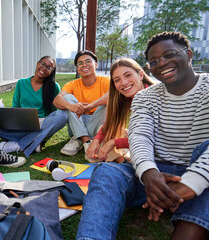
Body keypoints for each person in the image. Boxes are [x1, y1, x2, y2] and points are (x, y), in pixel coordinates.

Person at [76, 32, 209, 240]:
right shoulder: (144, 98)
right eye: (154, 61)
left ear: (189, 54)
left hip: (200, 174)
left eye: (169, 55)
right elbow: (140, 137)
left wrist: (191, 183)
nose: (162, 63)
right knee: (107, 172)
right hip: (153, 171)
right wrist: (149, 174)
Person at [0, 56, 68, 156]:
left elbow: (53, 113)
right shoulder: (21, 83)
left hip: (41, 124)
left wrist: (43, 123)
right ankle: (34, 142)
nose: (44, 68)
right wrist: (16, 121)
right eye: (43, 64)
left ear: (51, 71)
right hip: (20, 124)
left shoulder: (54, 87)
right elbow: (15, 107)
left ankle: (19, 144)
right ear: (38, 64)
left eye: (49, 68)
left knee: (62, 115)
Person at [86, 58, 155, 163]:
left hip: (155, 148)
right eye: (117, 80)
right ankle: (121, 159)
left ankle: (122, 159)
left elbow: (151, 139)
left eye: (128, 75)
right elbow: (110, 125)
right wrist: (96, 140)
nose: (123, 83)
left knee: (111, 143)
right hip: (135, 139)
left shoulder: (155, 96)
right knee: (106, 133)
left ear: (141, 75)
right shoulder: (123, 98)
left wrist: (114, 143)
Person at [53, 50, 110, 160]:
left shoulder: (105, 81)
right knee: (67, 98)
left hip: (97, 123)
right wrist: (71, 106)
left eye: (88, 61)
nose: (84, 65)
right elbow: (56, 100)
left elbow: (113, 96)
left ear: (96, 64)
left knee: (108, 104)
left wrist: (91, 105)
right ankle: (86, 141)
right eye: (80, 63)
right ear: (77, 67)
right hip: (77, 121)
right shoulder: (72, 84)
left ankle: (78, 139)